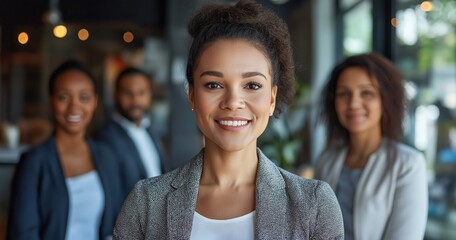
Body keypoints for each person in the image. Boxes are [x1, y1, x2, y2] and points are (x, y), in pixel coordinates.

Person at [113, 1, 344, 239]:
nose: (233, 102)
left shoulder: (313, 205)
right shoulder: (146, 203)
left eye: (252, 85)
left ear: (272, 98)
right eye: (213, 85)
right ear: (192, 95)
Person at [314, 53, 428, 240]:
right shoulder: (327, 159)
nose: (353, 104)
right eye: (344, 94)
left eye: (366, 93)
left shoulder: (408, 165)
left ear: (385, 100)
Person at [7, 60, 124, 240]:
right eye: (63, 97)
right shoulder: (34, 162)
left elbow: (117, 223)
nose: (74, 106)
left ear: (95, 101)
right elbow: (22, 233)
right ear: (51, 101)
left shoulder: (107, 156)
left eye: (84, 97)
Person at [96, 67, 169, 196]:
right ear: (115, 95)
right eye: (127, 93)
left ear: (150, 95)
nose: (135, 100)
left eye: (141, 93)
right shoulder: (106, 139)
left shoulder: (150, 131)